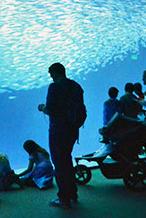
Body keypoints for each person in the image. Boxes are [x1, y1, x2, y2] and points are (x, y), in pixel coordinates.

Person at [37, 63, 85, 208]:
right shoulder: (76, 86)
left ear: (55, 73)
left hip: (58, 131)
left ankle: (63, 197)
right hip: (72, 130)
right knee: (67, 160)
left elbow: (51, 110)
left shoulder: (54, 87)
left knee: (59, 163)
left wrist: (42, 108)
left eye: (50, 74)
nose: (50, 77)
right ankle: (73, 193)